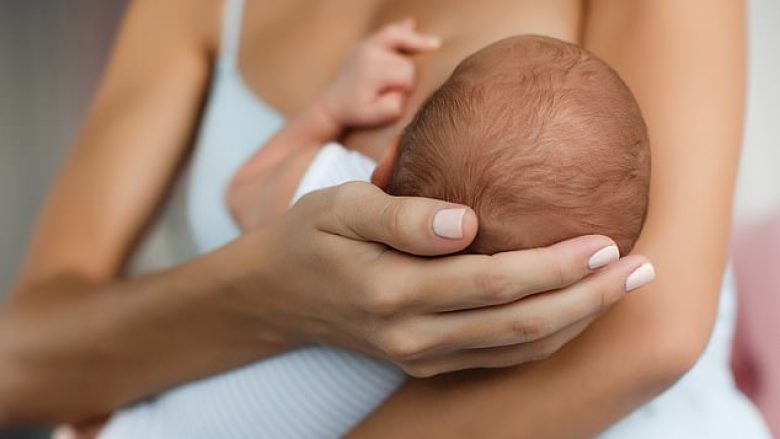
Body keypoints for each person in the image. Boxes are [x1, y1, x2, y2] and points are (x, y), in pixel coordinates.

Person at [0, 0, 766, 438]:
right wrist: (273, 292)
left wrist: (322, 124)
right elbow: (18, 362)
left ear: (391, 159)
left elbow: (652, 338)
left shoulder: (329, 188)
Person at [98, 31, 653, 439]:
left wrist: (329, 110)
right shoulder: (518, 349)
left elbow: (243, 191)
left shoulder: (337, 193)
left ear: (386, 160)